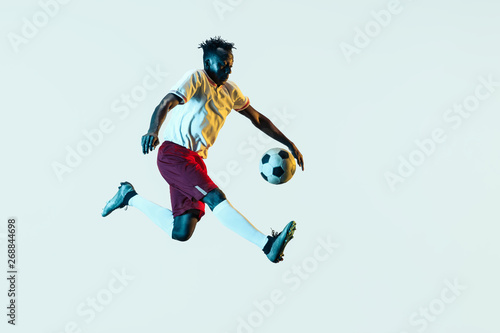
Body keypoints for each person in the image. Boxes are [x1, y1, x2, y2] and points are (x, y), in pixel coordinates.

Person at [102, 36, 304, 263]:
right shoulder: (196, 78)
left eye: (231, 65)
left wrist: (289, 143)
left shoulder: (230, 91)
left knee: (181, 232)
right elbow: (166, 102)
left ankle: (128, 196)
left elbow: (258, 119)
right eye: (222, 64)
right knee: (214, 197)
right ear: (208, 63)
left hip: (195, 160)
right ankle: (267, 245)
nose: (227, 69)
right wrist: (152, 130)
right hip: (174, 154)